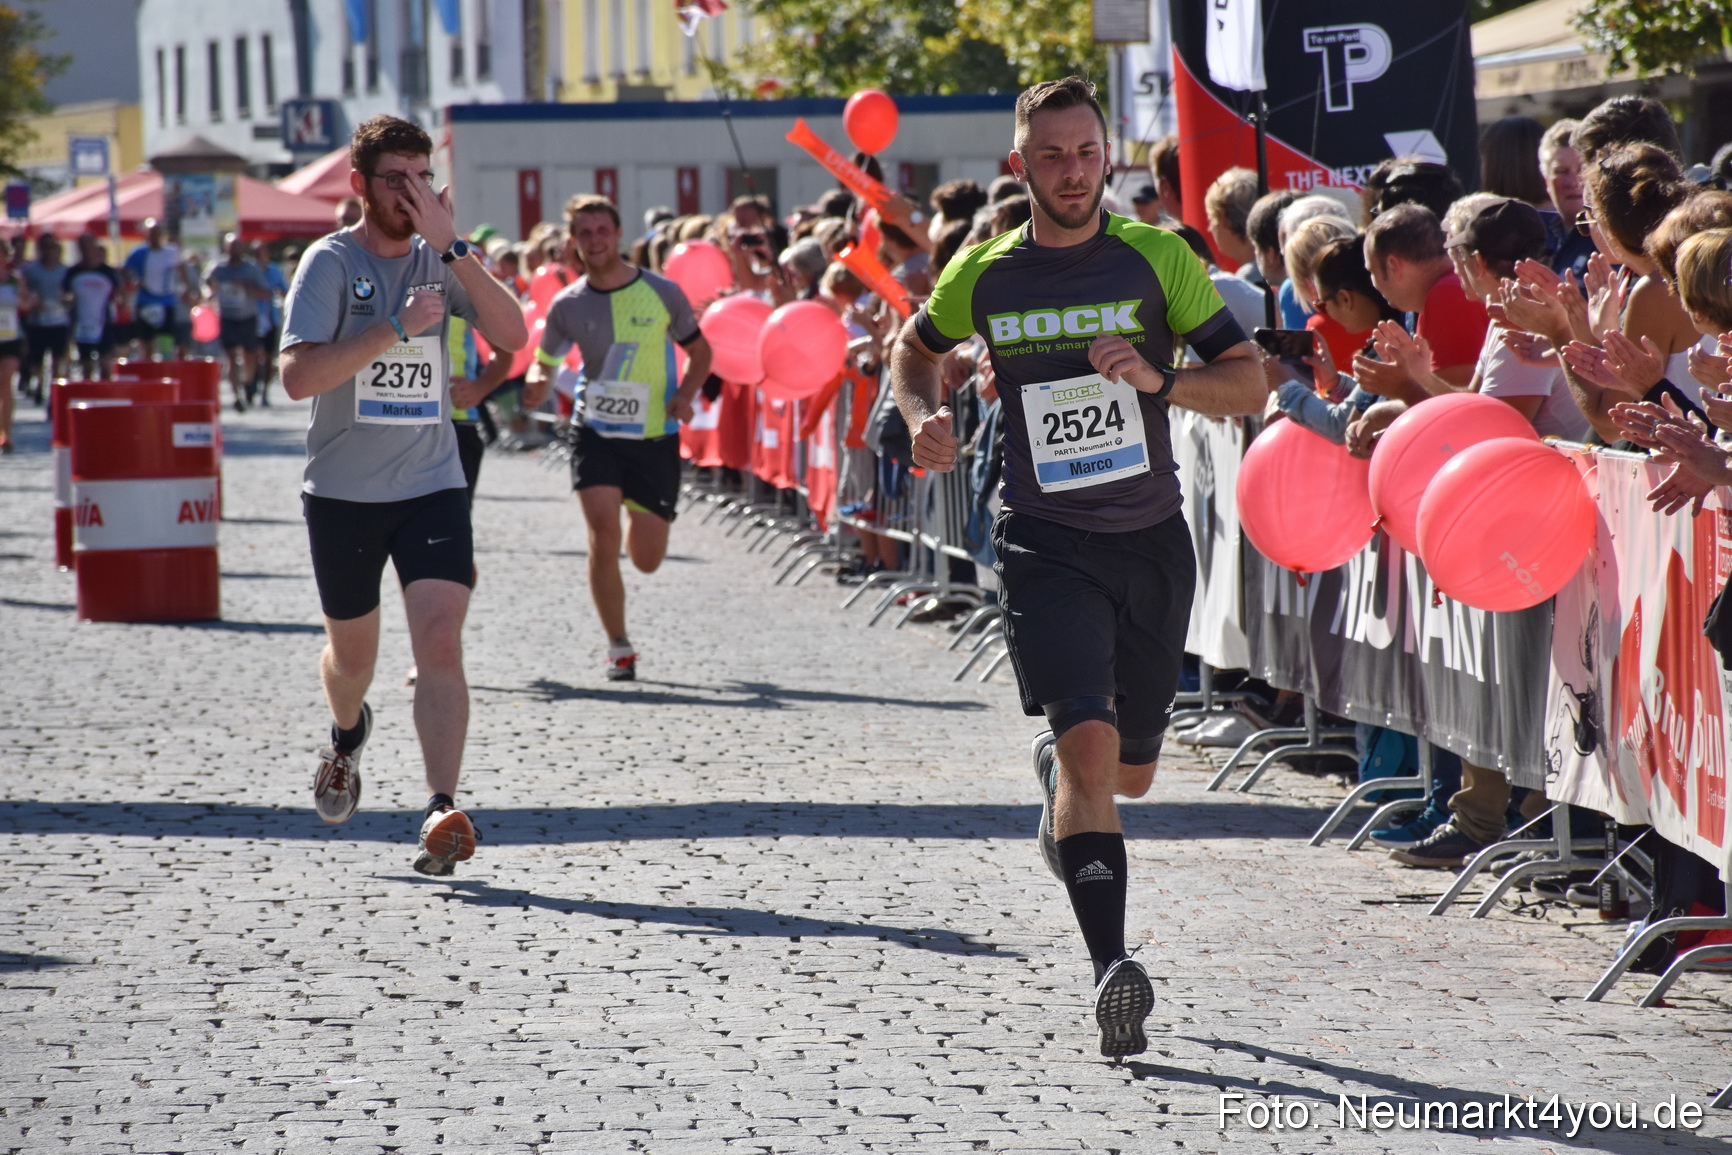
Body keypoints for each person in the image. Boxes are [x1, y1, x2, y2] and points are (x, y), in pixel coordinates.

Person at [890, 76, 1261, 1059]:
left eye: (1084, 152)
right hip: (1042, 540)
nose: (1068, 171)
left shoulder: (1158, 260)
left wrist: (1161, 379)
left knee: (1128, 774)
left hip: (1147, 542)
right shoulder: (986, 273)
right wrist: (919, 415)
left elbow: (1247, 378)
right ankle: (1111, 972)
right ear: (1020, 166)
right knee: (1094, 750)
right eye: (1048, 155)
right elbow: (912, 348)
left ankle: (1064, 781)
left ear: (1110, 157)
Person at [277, 114, 528, 876]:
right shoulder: (327, 263)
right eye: (395, 179)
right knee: (353, 661)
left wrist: (455, 249)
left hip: (431, 482)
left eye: (422, 177)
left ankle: (440, 805)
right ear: (360, 184)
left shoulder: (441, 258)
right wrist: (391, 326)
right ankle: (347, 736)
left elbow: (515, 336)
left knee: (441, 636)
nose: (410, 193)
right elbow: (297, 379)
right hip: (344, 492)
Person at [523, 194, 712, 682]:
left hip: (654, 437)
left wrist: (685, 395)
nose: (594, 241)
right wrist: (535, 382)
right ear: (573, 242)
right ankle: (619, 646)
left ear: (617, 234)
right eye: (584, 233)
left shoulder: (661, 292)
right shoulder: (568, 305)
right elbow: (544, 361)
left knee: (646, 559)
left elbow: (702, 353)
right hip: (596, 433)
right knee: (602, 538)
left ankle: (640, 524)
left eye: (602, 230)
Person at [207, 233, 271, 411]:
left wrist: (246, 286)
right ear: (226, 248)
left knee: (249, 357)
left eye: (237, 246)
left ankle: (247, 382)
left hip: (247, 317)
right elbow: (207, 285)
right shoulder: (218, 268)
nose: (234, 249)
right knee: (230, 358)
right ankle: (236, 397)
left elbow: (266, 293)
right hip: (227, 317)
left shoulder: (250, 269)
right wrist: (210, 291)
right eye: (231, 246)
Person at [124, 219, 186, 358]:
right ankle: (148, 365)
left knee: (166, 337)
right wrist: (133, 281)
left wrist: (185, 288)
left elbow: (181, 270)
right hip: (146, 300)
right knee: (147, 339)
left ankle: (166, 364)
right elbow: (126, 270)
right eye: (151, 233)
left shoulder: (171, 252)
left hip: (167, 300)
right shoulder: (139, 253)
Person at [65, 234, 121, 381]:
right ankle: (88, 395)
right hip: (81, 324)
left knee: (105, 364)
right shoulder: (73, 272)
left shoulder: (107, 272)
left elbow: (120, 295)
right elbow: (64, 295)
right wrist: (69, 300)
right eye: (83, 248)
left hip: (104, 323)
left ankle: (106, 396)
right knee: (86, 366)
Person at [22, 234, 71, 395]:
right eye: (46, 247)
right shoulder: (31, 271)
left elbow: (72, 295)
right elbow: (23, 293)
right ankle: (40, 383)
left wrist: (68, 300)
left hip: (59, 320)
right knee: (38, 359)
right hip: (38, 321)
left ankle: (55, 391)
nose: (49, 251)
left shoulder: (65, 271)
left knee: (58, 359)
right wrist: (32, 301)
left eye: (53, 247)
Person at [0, 244, 30, 453]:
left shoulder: (15, 279)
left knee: (6, 383)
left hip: (11, 337)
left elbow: (25, 305)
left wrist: (27, 302)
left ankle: (6, 435)